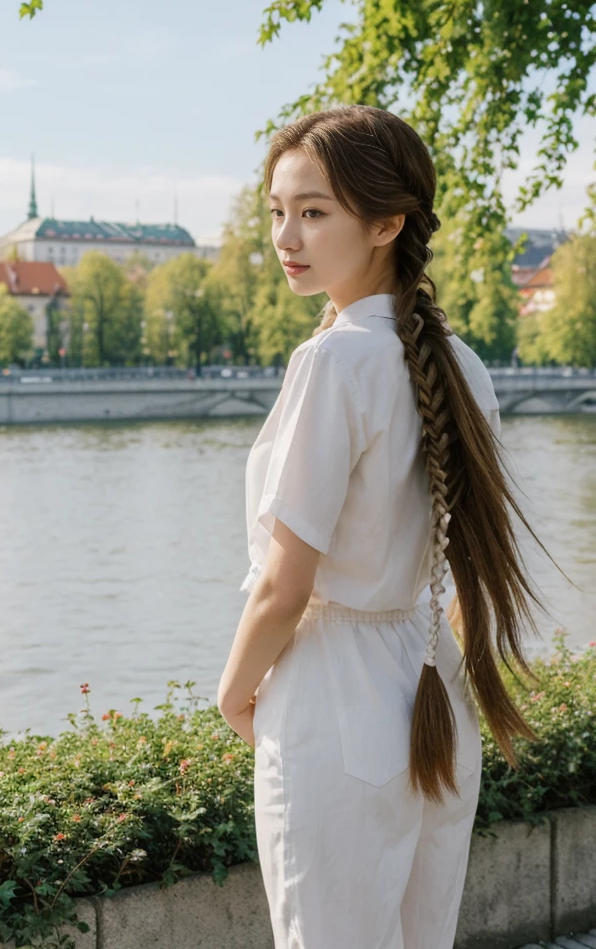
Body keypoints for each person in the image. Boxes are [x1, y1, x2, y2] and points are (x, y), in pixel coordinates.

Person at [217, 105, 559, 949]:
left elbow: (285, 583)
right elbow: (466, 566)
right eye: (277, 211)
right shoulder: (462, 363)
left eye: (314, 211)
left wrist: (233, 695)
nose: (286, 236)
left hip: (334, 701)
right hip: (431, 696)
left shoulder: (332, 362)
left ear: (387, 223)